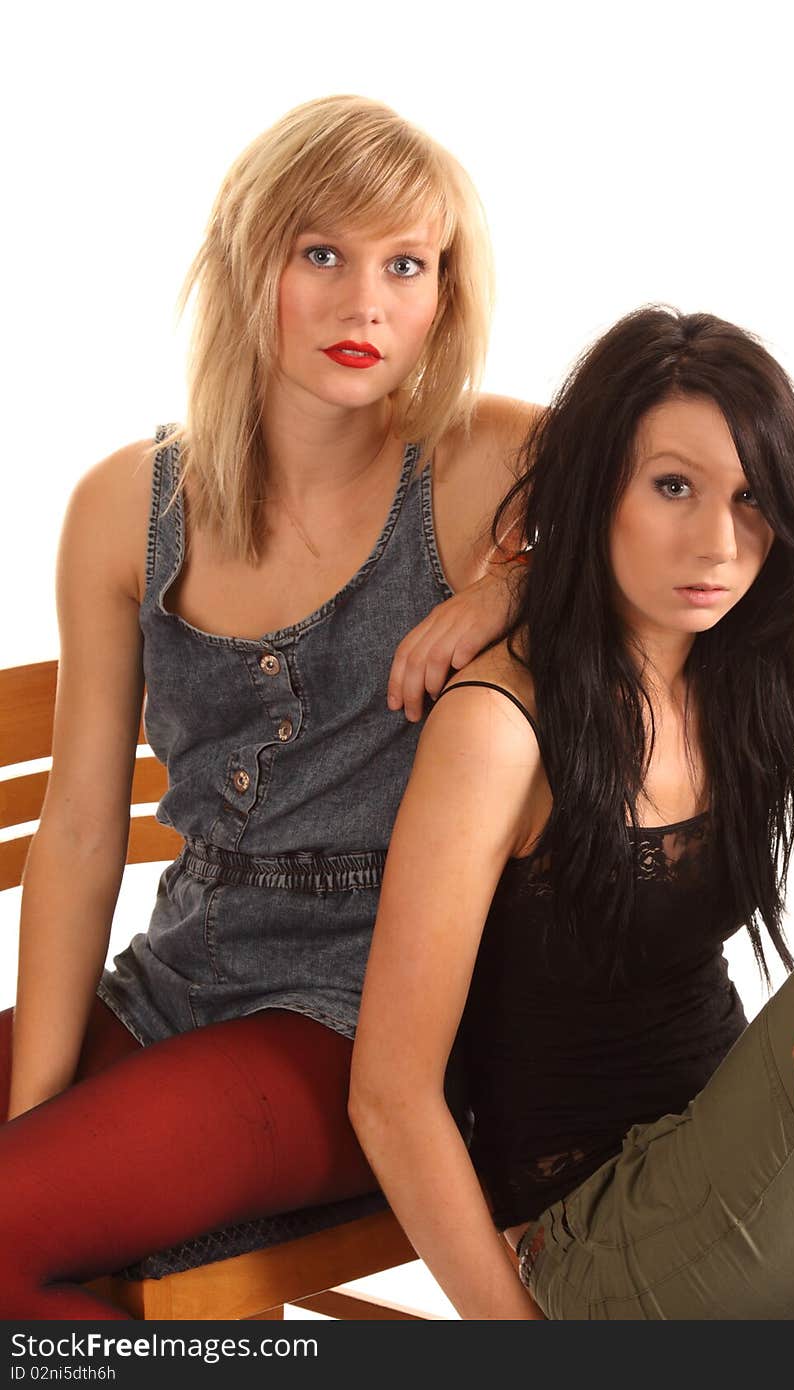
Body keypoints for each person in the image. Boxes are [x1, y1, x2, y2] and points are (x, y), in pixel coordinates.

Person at [0, 95, 536, 1318]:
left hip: (375, 1018)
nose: (366, 304)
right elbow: (81, 831)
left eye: (406, 264)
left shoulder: (482, 462)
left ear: (445, 295)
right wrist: (42, 1113)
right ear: (251, 265)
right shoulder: (123, 506)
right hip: (178, 975)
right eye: (323, 255)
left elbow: (760, 535)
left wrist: (507, 589)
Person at [349, 306, 794, 1320]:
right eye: (672, 487)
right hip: (594, 1243)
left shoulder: (766, 653)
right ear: (597, 490)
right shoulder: (500, 729)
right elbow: (391, 1094)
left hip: (754, 1182)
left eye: (752, 498)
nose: (719, 543)